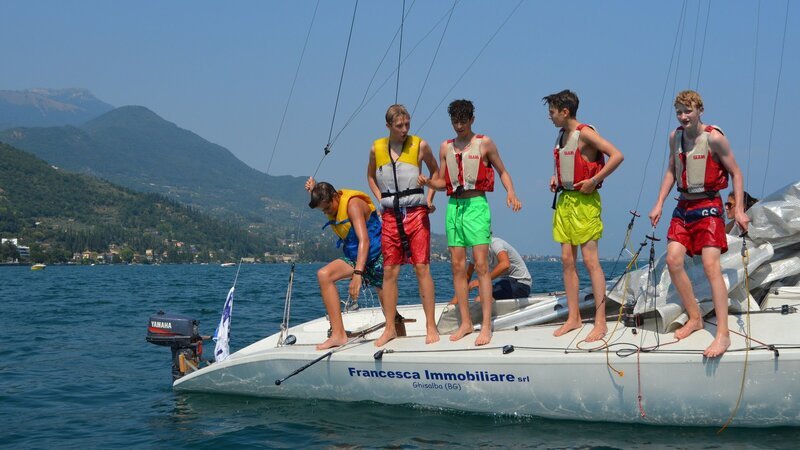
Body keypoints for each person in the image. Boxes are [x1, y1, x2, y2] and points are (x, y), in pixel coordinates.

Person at [648, 90, 750, 358]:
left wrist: (738, 210)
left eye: (687, 111)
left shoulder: (714, 139)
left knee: (709, 265)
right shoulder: (675, 137)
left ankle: (723, 335)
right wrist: (659, 202)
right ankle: (695, 318)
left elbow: (736, 173)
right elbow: (672, 170)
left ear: (699, 110)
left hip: (708, 206)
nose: (683, 116)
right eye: (679, 112)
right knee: (673, 260)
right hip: (683, 206)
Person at [419, 99, 522, 346]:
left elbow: (502, 171)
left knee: (481, 265)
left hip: (476, 205)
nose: (459, 126)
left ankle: (486, 325)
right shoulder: (446, 147)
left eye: (463, 122)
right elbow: (442, 179)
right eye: (455, 122)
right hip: (454, 207)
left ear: (472, 120)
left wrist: (511, 192)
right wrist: (429, 192)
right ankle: (466, 322)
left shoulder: (484, 143)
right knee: (456, 266)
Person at [543, 89, 624, 342]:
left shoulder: (585, 133)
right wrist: (556, 178)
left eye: (552, 112)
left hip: (585, 203)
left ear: (564, 112)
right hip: (565, 201)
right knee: (567, 260)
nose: (550, 117)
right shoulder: (560, 135)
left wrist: (595, 180)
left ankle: (600, 322)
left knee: (591, 262)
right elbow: (565, 162)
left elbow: (617, 155)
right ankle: (573, 317)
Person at [367, 104, 440, 346]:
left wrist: (429, 196)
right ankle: (390, 327)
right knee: (389, 271)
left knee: (422, 267)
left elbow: (437, 175)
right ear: (388, 126)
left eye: (407, 124)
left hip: (416, 212)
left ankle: (431, 325)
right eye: (399, 126)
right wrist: (380, 198)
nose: (404, 129)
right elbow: (370, 176)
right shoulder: (376, 149)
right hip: (390, 214)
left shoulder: (420, 145)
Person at [305, 177, 385, 350]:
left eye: (327, 208)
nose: (327, 212)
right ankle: (338, 335)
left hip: (377, 255)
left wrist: (357, 274)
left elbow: (364, 240)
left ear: (335, 197)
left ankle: (395, 330)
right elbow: (323, 194)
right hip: (354, 257)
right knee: (324, 275)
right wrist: (313, 188)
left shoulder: (353, 205)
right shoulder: (329, 199)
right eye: (323, 211)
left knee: (390, 311)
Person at [450, 236, 532, 304]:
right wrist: (456, 300)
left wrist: (481, 281)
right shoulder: (475, 252)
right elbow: (468, 275)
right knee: (482, 293)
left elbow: (505, 264)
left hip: (521, 283)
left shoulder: (495, 244)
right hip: (505, 283)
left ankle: (489, 317)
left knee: (480, 299)